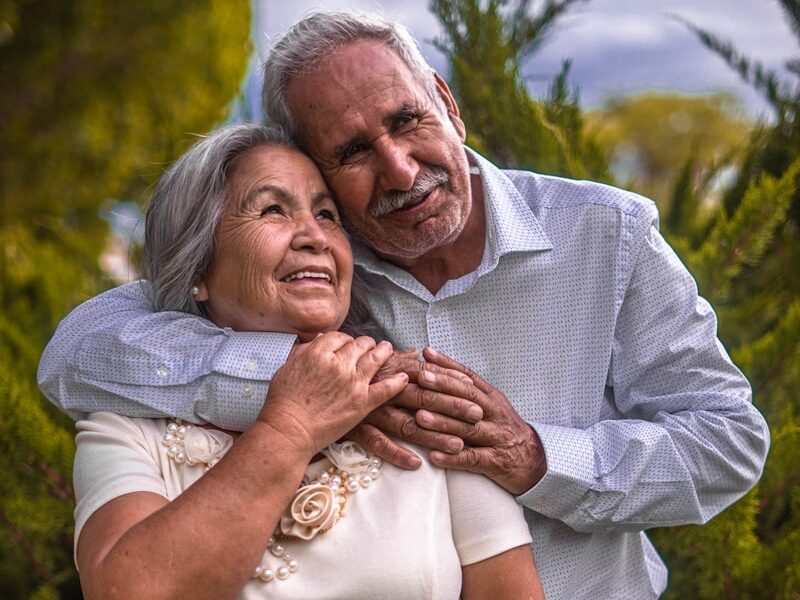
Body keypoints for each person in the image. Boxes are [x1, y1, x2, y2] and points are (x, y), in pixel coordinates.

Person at [39, 11, 770, 598]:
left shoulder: (609, 233)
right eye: (352, 153)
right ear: (314, 170)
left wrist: (540, 457)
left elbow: (727, 440)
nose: (399, 168)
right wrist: (306, 377)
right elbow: (76, 353)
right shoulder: (320, 278)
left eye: (407, 120)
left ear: (448, 105)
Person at [72, 122, 543, 599]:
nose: (314, 237)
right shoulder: (126, 432)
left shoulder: (419, 401)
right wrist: (289, 429)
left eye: (327, 214)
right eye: (272, 209)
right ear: (199, 269)